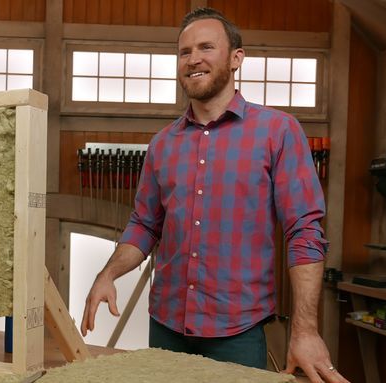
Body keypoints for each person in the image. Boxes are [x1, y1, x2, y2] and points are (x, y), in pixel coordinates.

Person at [80, 7, 349, 383]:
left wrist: (304, 330)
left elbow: (304, 232)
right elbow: (144, 225)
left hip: (237, 334)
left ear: (236, 58)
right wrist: (107, 274)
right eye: (184, 52)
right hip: (166, 328)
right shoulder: (162, 144)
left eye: (206, 47)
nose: (193, 59)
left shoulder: (278, 132)